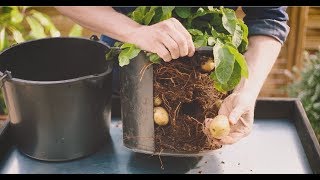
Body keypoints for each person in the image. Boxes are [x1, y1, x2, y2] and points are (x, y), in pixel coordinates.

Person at [55, 6, 290, 145]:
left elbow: (268, 18)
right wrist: (134, 31)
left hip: (207, 96)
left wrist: (245, 91)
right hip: (125, 92)